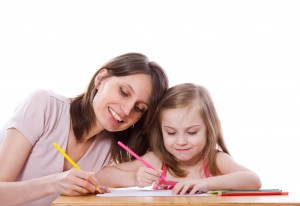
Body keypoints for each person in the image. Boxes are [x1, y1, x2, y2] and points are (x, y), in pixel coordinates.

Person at [0, 52, 169, 206]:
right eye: (123, 92)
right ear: (101, 78)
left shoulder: (112, 150)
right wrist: (53, 184)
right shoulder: (43, 106)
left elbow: (163, 159)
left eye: (139, 108)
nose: (126, 110)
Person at [97, 83, 261, 195]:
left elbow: (253, 180)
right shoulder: (158, 161)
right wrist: (134, 178)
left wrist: (205, 184)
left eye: (192, 132)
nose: (181, 141)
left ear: (208, 131)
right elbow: (101, 176)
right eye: (171, 133)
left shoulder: (214, 160)